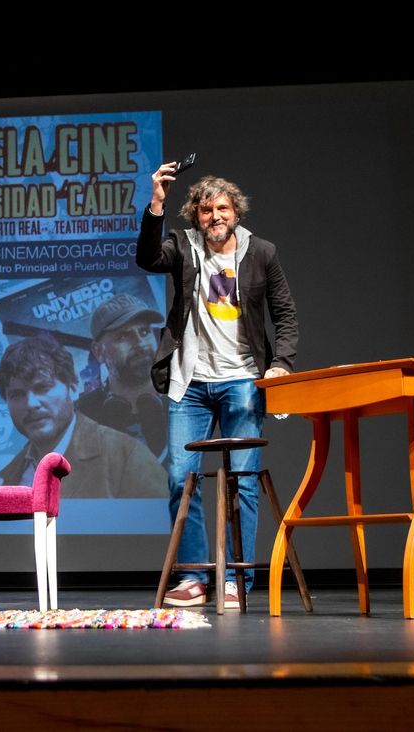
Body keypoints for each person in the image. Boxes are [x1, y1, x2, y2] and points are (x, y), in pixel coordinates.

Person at [137, 168, 299, 609]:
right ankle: (193, 577)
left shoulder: (260, 252)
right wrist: (156, 203)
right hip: (190, 383)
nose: (214, 216)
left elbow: (284, 315)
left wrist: (281, 365)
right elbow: (148, 259)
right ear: (196, 215)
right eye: (206, 210)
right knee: (179, 478)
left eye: (222, 208)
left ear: (235, 212)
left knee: (243, 480)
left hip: (243, 381)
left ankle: (236, 581)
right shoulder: (184, 248)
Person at [0, 335, 166, 498]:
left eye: (42, 388)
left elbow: (169, 527)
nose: (31, 403)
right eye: (17, 395)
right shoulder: (10, 478)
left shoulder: (127, 457)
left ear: (74, 389)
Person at [76, 293, 167, 459]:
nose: (140, 343)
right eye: (123, 337)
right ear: (98, 351)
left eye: (144, 331)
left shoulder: (188, 402)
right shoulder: (82, 416)